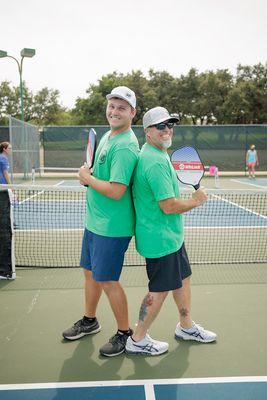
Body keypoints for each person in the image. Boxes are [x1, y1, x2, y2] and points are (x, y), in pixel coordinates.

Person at [126, 106, 217, 356]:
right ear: (147, 131)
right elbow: (168, 206)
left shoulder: (157, 152)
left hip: (171, 237)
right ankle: (138, 338)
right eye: (161, 126)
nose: (167, 130)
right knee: (159, 291)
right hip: (160, 240)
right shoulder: (154, 161)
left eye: (170, 125)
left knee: (183, 279)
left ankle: (186, 326)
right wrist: (197, 200)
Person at [62, 86, 140, 357]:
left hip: (112, 227)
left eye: (121, 107)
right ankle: (90, 320)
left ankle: (124, 333)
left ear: (133, 112)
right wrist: (90, 173)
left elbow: (117, 191)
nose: (114, 111)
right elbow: (100, 174)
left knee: (107, 280)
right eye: (112, 106)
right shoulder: (108, 135)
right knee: (90, 273)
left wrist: (88, 179)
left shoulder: (126, 146)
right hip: (95, 221)